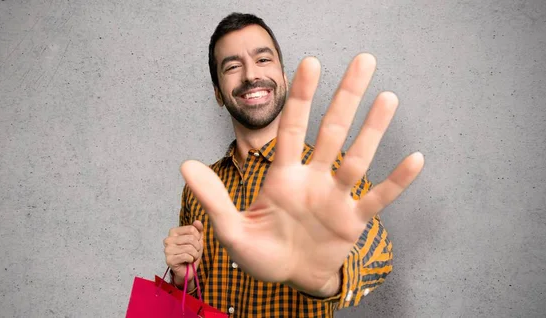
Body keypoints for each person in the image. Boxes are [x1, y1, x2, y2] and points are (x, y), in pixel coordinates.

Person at [163, 12, 424, 317]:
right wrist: (186, 281)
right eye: (232, 66)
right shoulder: (200, 188)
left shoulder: (331, 173)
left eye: (263, 59)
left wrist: (327, 280)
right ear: (218, 94)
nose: (250, 75)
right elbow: (189, 307)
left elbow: (378, 256)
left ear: (284, 79)